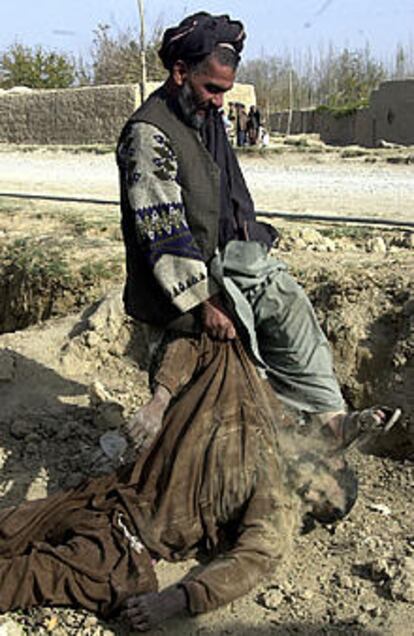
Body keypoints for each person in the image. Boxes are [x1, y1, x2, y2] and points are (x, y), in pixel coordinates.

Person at [116, 11, 398, 456]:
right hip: (177, 290)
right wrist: (206, 302)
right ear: (179, 72)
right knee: (210, 395)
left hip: (224, 262)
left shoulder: (205, 118)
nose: (219, 102)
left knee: (287, 303)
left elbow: (228, 197)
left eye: (225, 92)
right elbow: (161, 230)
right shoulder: (149, 135)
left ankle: (330, 420)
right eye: (212, 89)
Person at [0, 336, 358, 631]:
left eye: (317, 506)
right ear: (331, 461)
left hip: (129, 541)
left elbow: (253, 559)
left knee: (32, 575)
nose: (310, 495)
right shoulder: (253, 389)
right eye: (323, 489)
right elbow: (202, 343)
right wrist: (160, 400)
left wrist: (179, 598)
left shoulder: (276, 501)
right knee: (11, 525)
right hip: (106, 493)